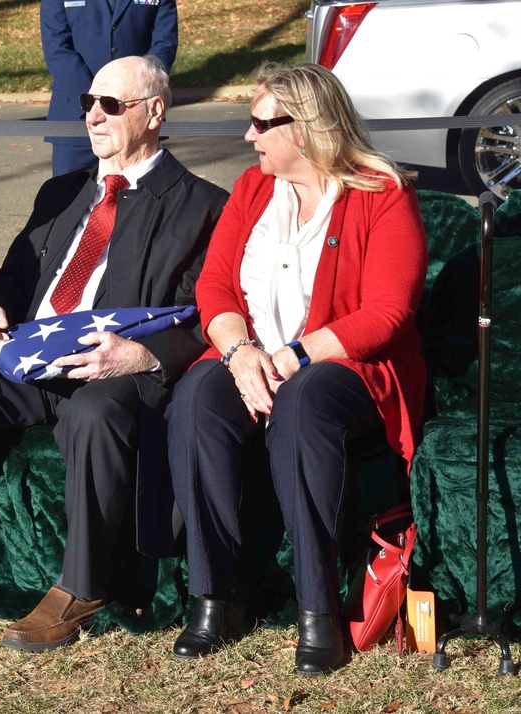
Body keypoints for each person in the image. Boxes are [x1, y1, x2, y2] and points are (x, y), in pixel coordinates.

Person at [0, 55, 228, 652]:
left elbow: (206, 313)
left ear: (154, 112)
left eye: (110, 105)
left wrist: (141, 358)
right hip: (33, 356)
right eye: (88, 102)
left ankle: (82, 584)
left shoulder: (202, 205)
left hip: (112, 365)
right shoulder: (62, 191)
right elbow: (12, 276)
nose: (92, 114)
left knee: (95, 414)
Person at [166, 62, 427, 676]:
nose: (249, 137)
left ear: (305, 129)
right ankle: (214, 596)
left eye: (260, 124)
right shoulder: (251, 190)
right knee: (197, 398)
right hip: (256, 355)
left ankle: (318, 609)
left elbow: (387, 315)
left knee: (305, 402)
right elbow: (215, 285)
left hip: (347, 366)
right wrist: (238, 353)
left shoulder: (381, 192)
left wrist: (296, 354)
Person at [41, 0, 177, 176]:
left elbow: (165, 44)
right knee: (69, 197)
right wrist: (92, 101)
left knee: (140, 197)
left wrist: (132, 91)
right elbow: (56, 46)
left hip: (134, 116)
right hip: (76, 113)